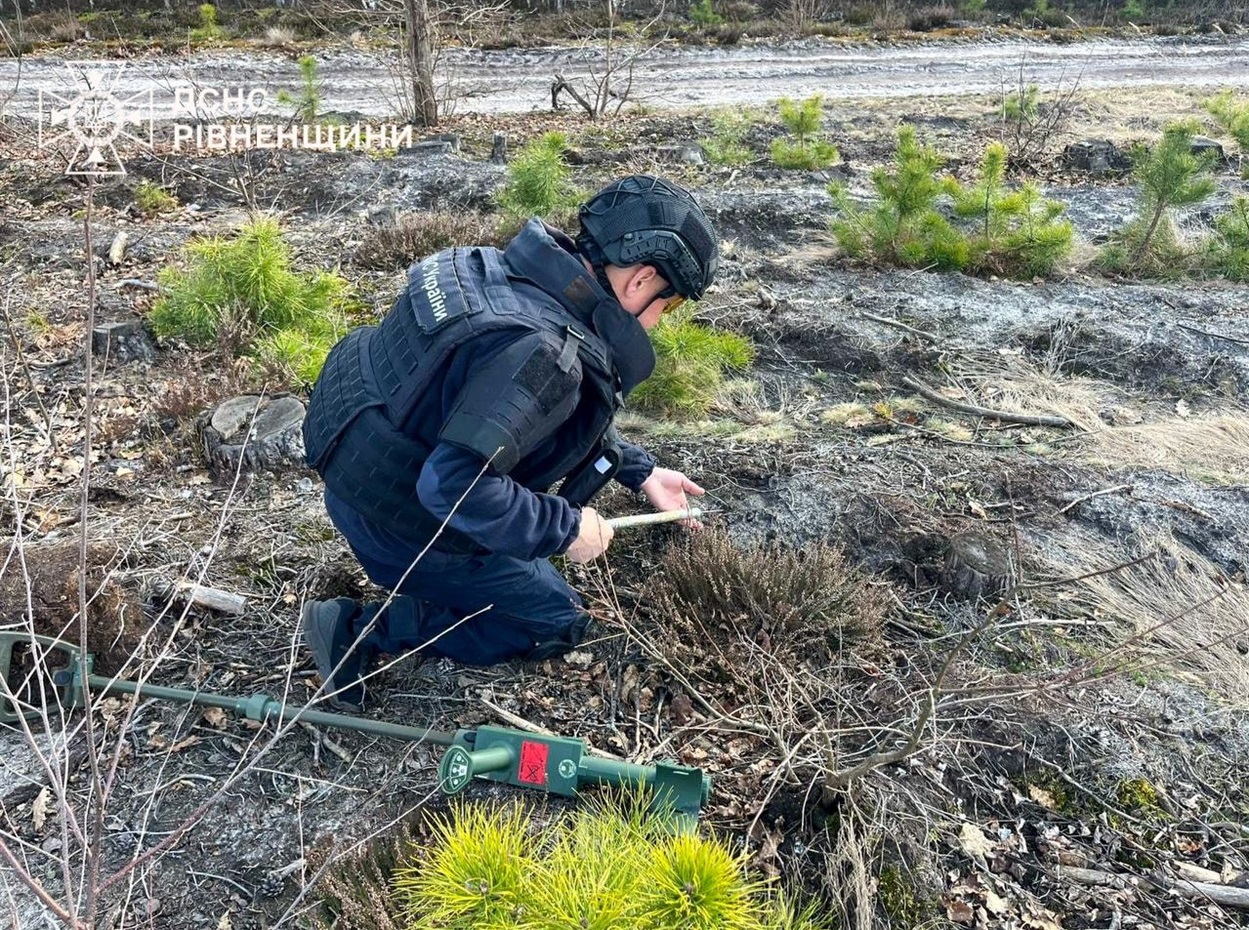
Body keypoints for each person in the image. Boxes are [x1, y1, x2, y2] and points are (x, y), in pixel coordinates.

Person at [299, 174, 720, 712]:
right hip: (395, 522)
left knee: (527, 562)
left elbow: (521, 413)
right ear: (640, 282)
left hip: (361, 468)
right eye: (672, 304)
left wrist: (639, 471)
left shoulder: (502, 274)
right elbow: (454, 485)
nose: (661, 321)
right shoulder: (544, 354)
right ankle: (359, 630)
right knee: (555, 618)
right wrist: (565, 528)